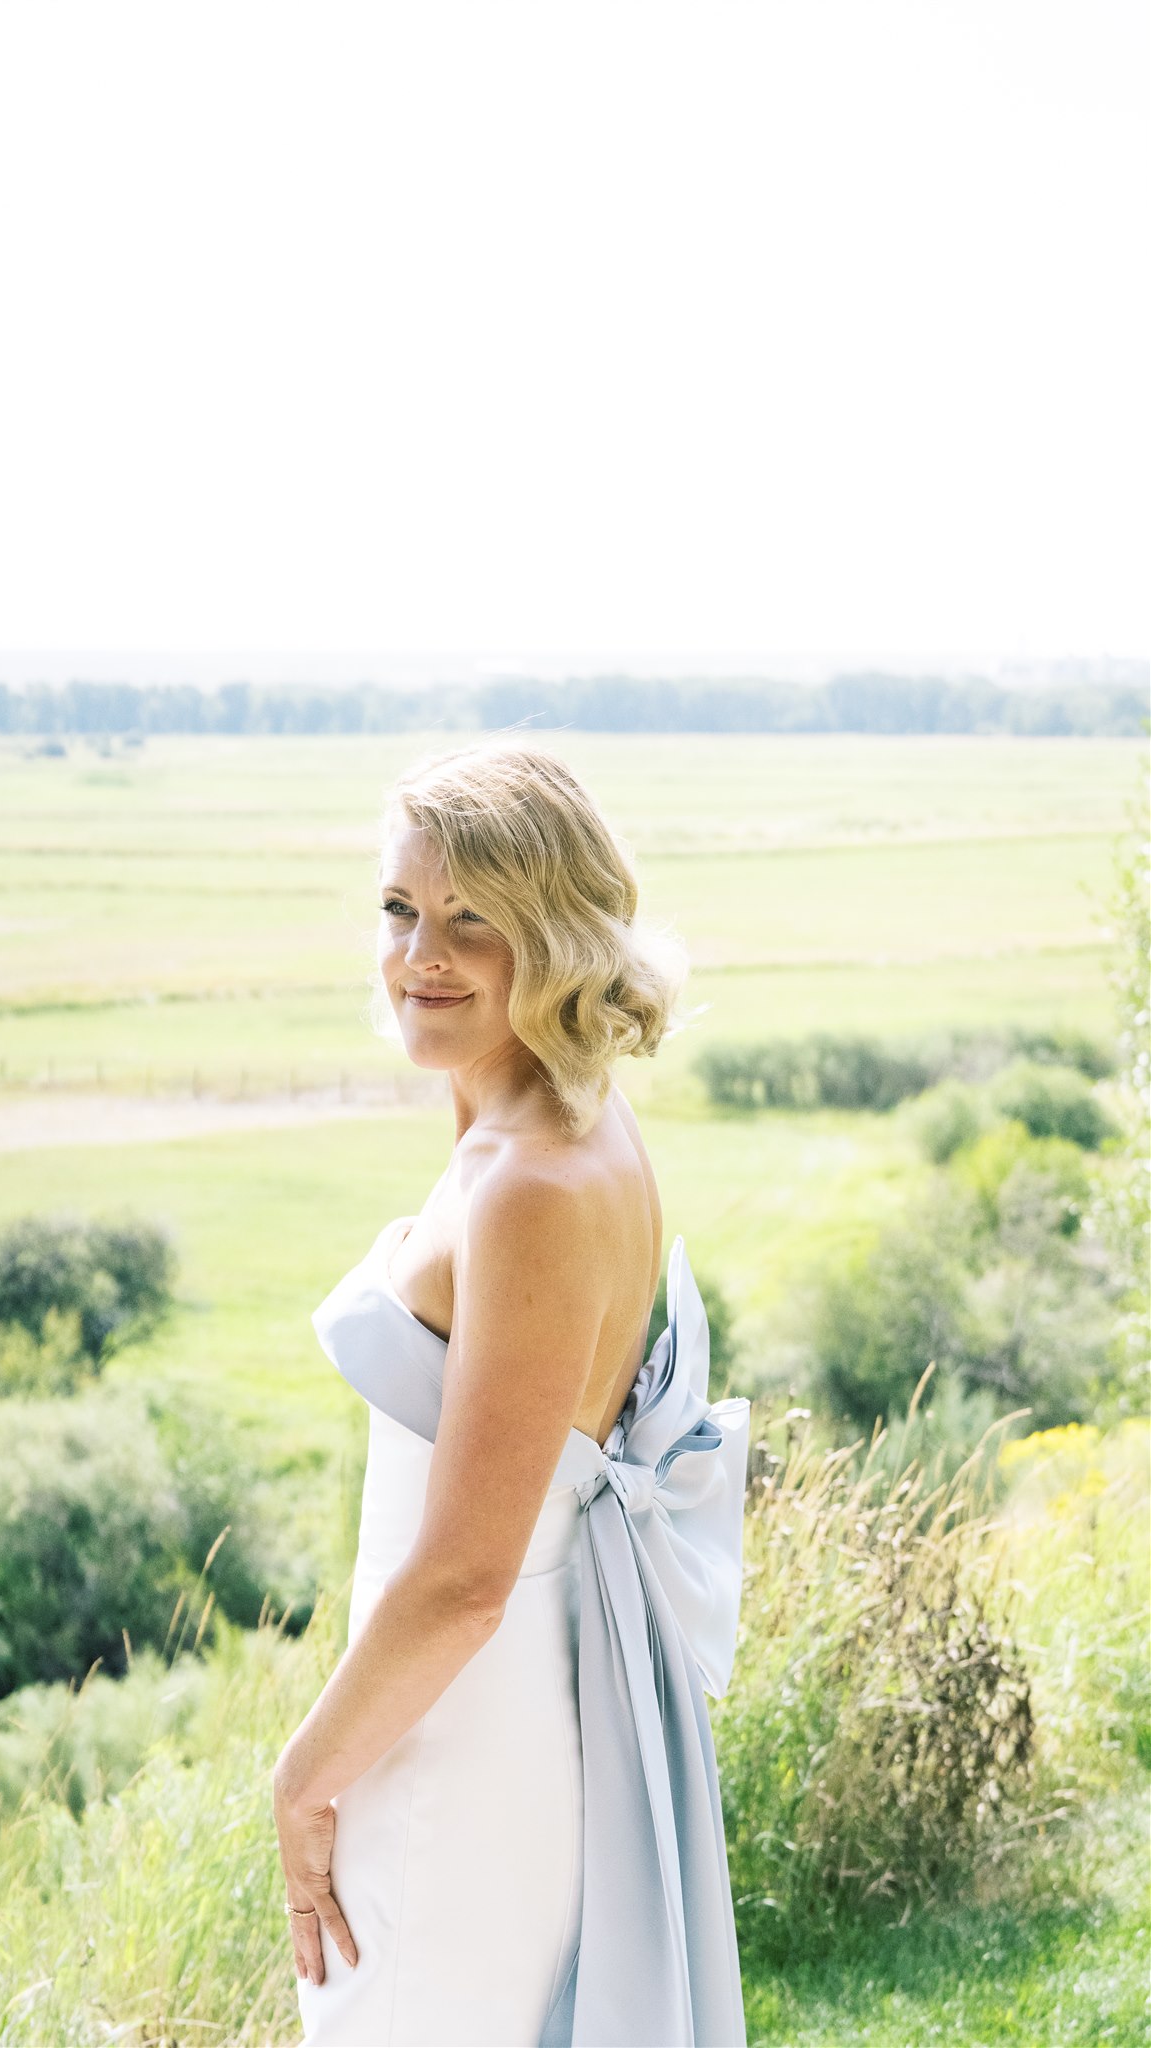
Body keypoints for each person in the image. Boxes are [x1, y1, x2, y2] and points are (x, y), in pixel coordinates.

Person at [272, 739, 751, 2048]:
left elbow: (466, 1579)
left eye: (471, 918)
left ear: (555, 935)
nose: (419, 954)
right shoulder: (545, 1114)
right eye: (400, 908)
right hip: (472, 1693)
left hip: (467, 1725)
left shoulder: (533, 1180)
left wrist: (302, 1778)